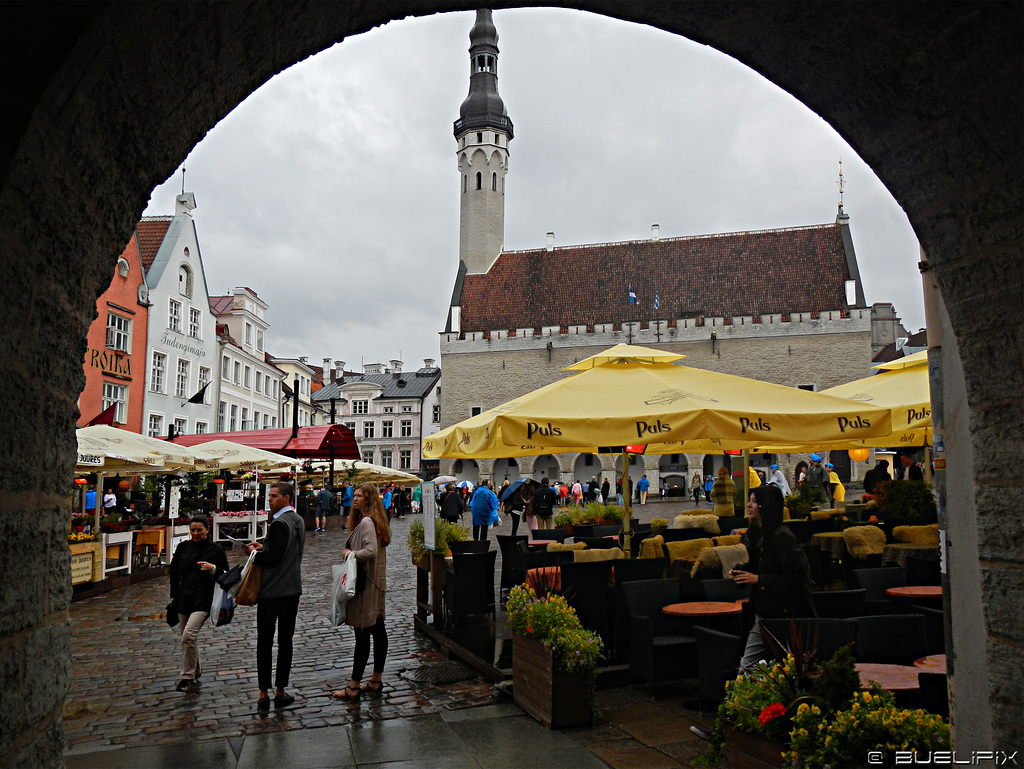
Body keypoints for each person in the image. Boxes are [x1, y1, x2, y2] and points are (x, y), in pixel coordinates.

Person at [732, 484, 815, 668]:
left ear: (765, 506)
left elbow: (797, 578)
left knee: (791, 668)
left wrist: (758, 579)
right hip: (764, 613)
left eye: (754, 501)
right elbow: (762, 567)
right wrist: (743, 571)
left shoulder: (782, 537)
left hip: (788, 616)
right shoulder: (757, 535)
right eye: (749, 500)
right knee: (748, 666)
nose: (749, 505)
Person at [246, 482, 305, 711]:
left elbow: (274, 558)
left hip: (273, 590)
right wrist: (263, 547)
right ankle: (281, 689)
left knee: (265, 641)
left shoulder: (279, 522)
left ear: (286, 498)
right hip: (292, 588)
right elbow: (288, 551)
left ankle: (264, 691)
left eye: (273, 496)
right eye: (269, 496)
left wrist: (254, 553)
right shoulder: (297, 520)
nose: (269, 499)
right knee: (286, 641)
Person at [333, 483, 391, 701]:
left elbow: (370, 551)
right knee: (377, 629)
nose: (354, 498)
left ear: (368, 499)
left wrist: (350, 553)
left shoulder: (366, 522)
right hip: (375, 583)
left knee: (363, 634)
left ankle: (353, 686)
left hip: (366, 585)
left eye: (359, 496)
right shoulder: (375, 520)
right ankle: (375, 679)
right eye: (354, 495)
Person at [168, 514, 229, 692]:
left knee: (189, 635)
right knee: (187, 637)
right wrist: (173, 595)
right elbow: (173, 571)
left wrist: (213, 569)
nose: (195, 533)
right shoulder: (183, 547)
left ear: (207, 530)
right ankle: (196, 669)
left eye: (199, 530)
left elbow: (226, 575)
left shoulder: (216, 550)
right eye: (193, 530)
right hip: (184, 598)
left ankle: (186, 677)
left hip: (204, 599)